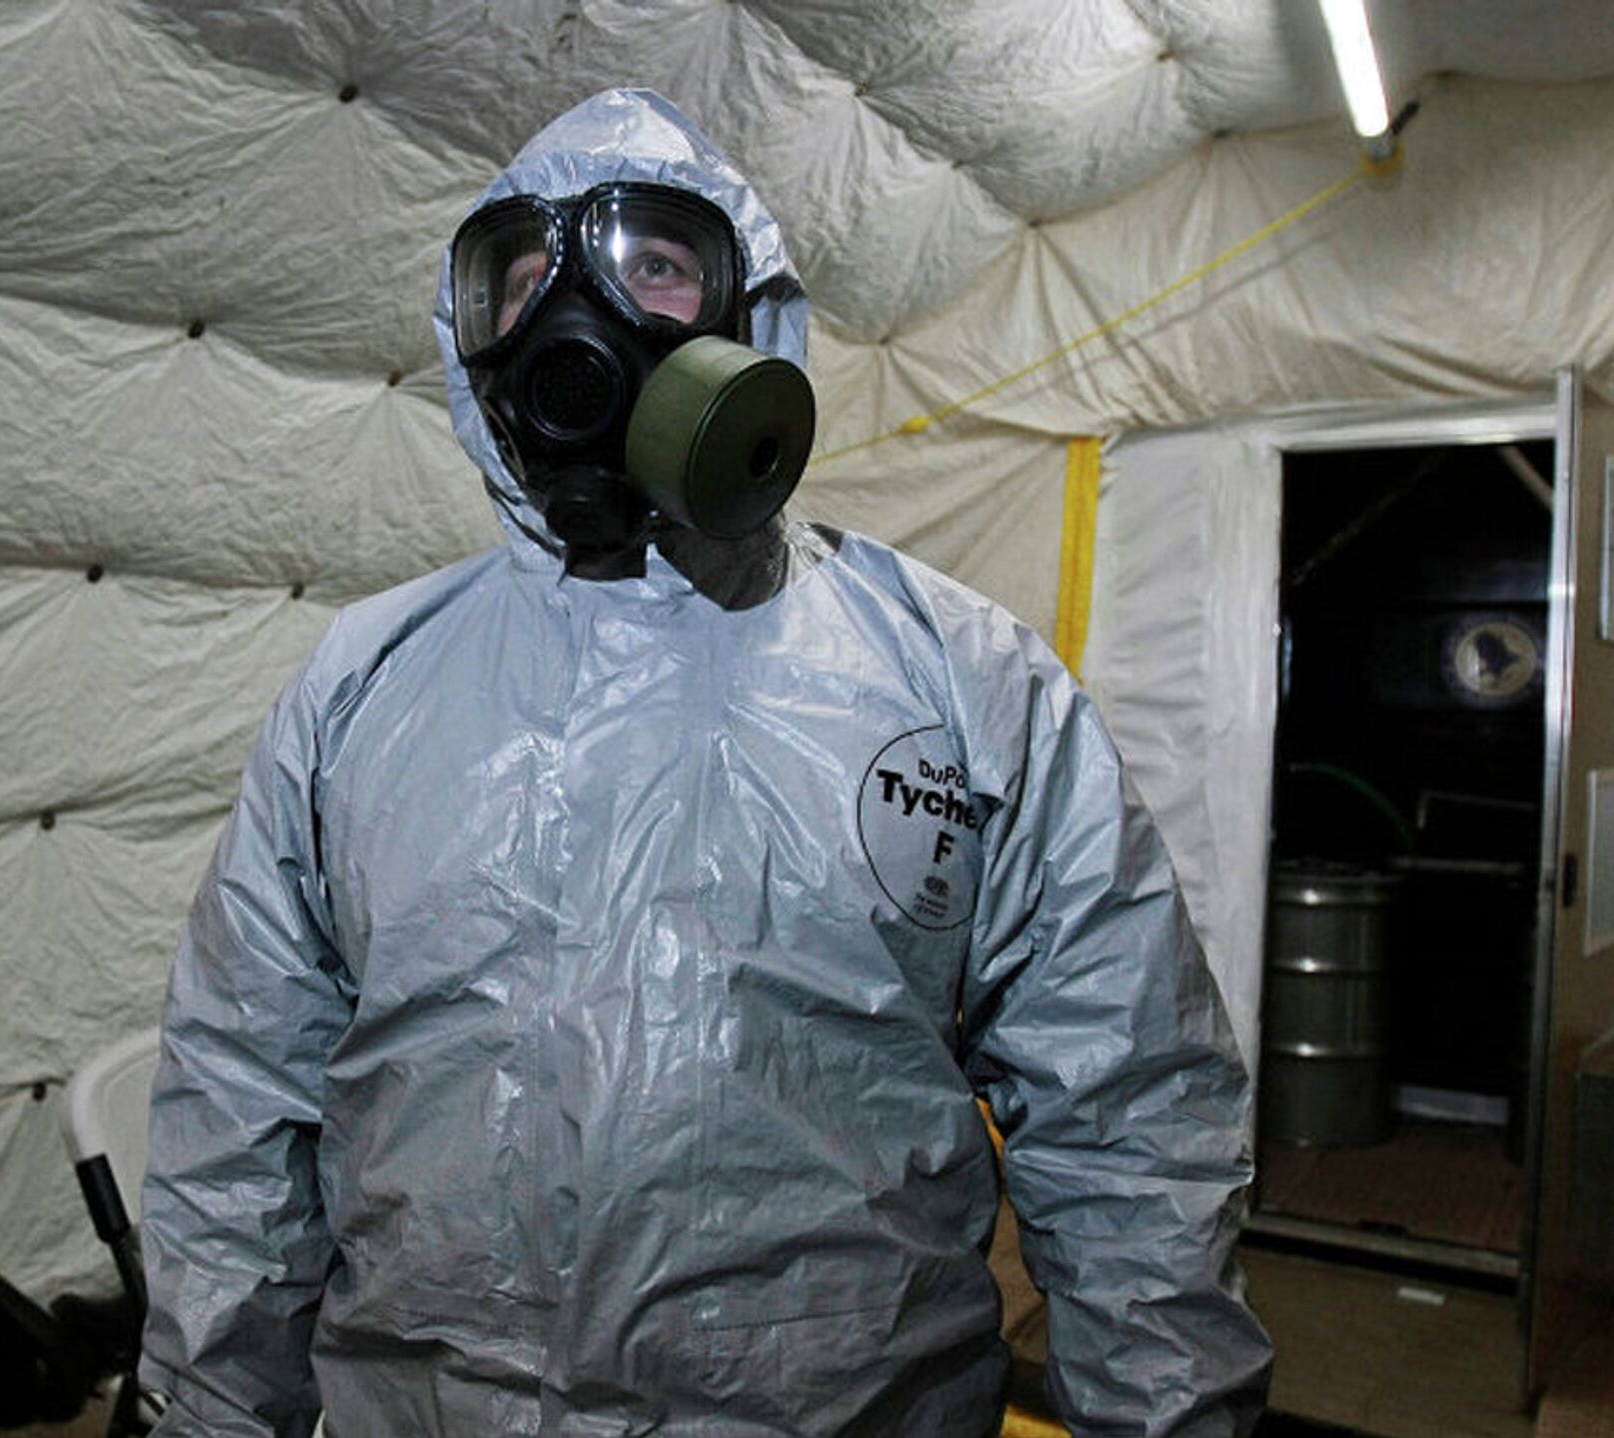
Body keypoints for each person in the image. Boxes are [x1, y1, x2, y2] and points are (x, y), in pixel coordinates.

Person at [137, 88, 1273, 1437]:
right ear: (474, 345)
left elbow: (1129, 1117)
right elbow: (241, 1105)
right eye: (521, 280)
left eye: (652, 264)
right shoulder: (360, 688)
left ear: (748, 315)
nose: (574, 315)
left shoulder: (958, 682)